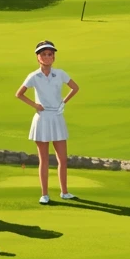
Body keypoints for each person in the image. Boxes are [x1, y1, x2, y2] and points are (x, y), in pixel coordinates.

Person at [15, 40, 80, 205]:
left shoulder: (60, 73)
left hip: (57, 117)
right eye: (43, 54)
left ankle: (64, 192)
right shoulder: (33, 76)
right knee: (43, 159)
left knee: (62, 159)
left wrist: (63, 103)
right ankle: (44, 194)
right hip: (42, 118)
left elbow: (75, 88)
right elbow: (19, 94)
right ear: (38, 57)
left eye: (50, 54)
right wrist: (35, 105)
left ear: (54, 57)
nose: (47, 57)